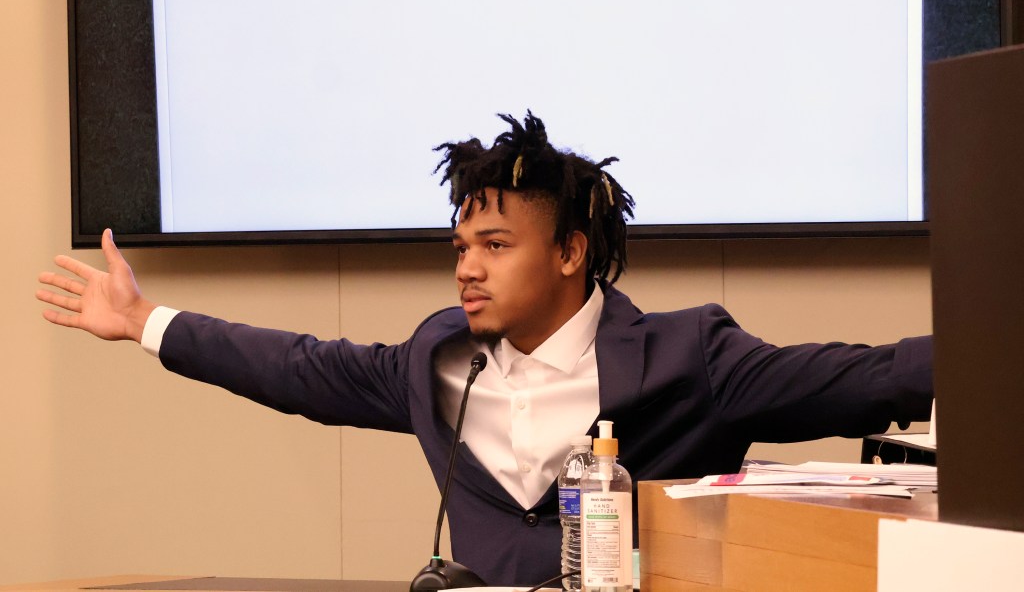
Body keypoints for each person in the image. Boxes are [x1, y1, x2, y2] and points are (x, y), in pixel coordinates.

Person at [37, 111, 933, 586]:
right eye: (461, 249)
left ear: (571, 254)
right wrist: (147, 322)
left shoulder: (688, 358)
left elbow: (862, 376)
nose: (468, 269)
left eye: (496, 248)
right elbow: (299, 367)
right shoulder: (435, 364)